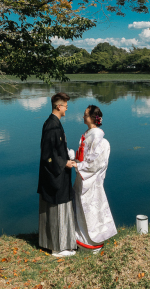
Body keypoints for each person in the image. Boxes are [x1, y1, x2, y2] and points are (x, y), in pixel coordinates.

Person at [37, 92, 77, 257]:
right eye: (66, 106)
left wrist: (67, 154)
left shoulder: (54, 123)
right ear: (58, 106)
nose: (67, 108)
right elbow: (47, 156)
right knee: (56, 211)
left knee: (56, 211)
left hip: (57, 174)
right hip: (54, 177)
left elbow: (56, 149)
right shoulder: (52, 126)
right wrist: (64, 163)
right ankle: (57, 248)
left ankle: (53, 243)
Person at [72, 105, 117, 253]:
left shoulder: (97, 137)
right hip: (82, 177)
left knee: (90, 208)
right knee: (81, 207)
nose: (83, 117)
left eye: (85, 115)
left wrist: (78, 165)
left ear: (92, 118)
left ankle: (92, 243)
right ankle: (81, 239)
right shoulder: (89, 134)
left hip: (90, 179)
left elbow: (95, 162)